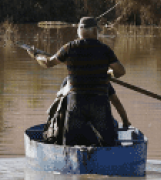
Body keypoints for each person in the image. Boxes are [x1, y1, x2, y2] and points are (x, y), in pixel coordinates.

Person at [33, 17, 126, 146]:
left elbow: (48, 63)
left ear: (79, 31)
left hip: (76, 102)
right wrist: (109, 73)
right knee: (109, 143)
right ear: (95, 31)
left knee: (69, 144)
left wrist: (36, 56)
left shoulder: (69, 47)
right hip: (99, 102)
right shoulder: (104, 49)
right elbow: (121, 71)